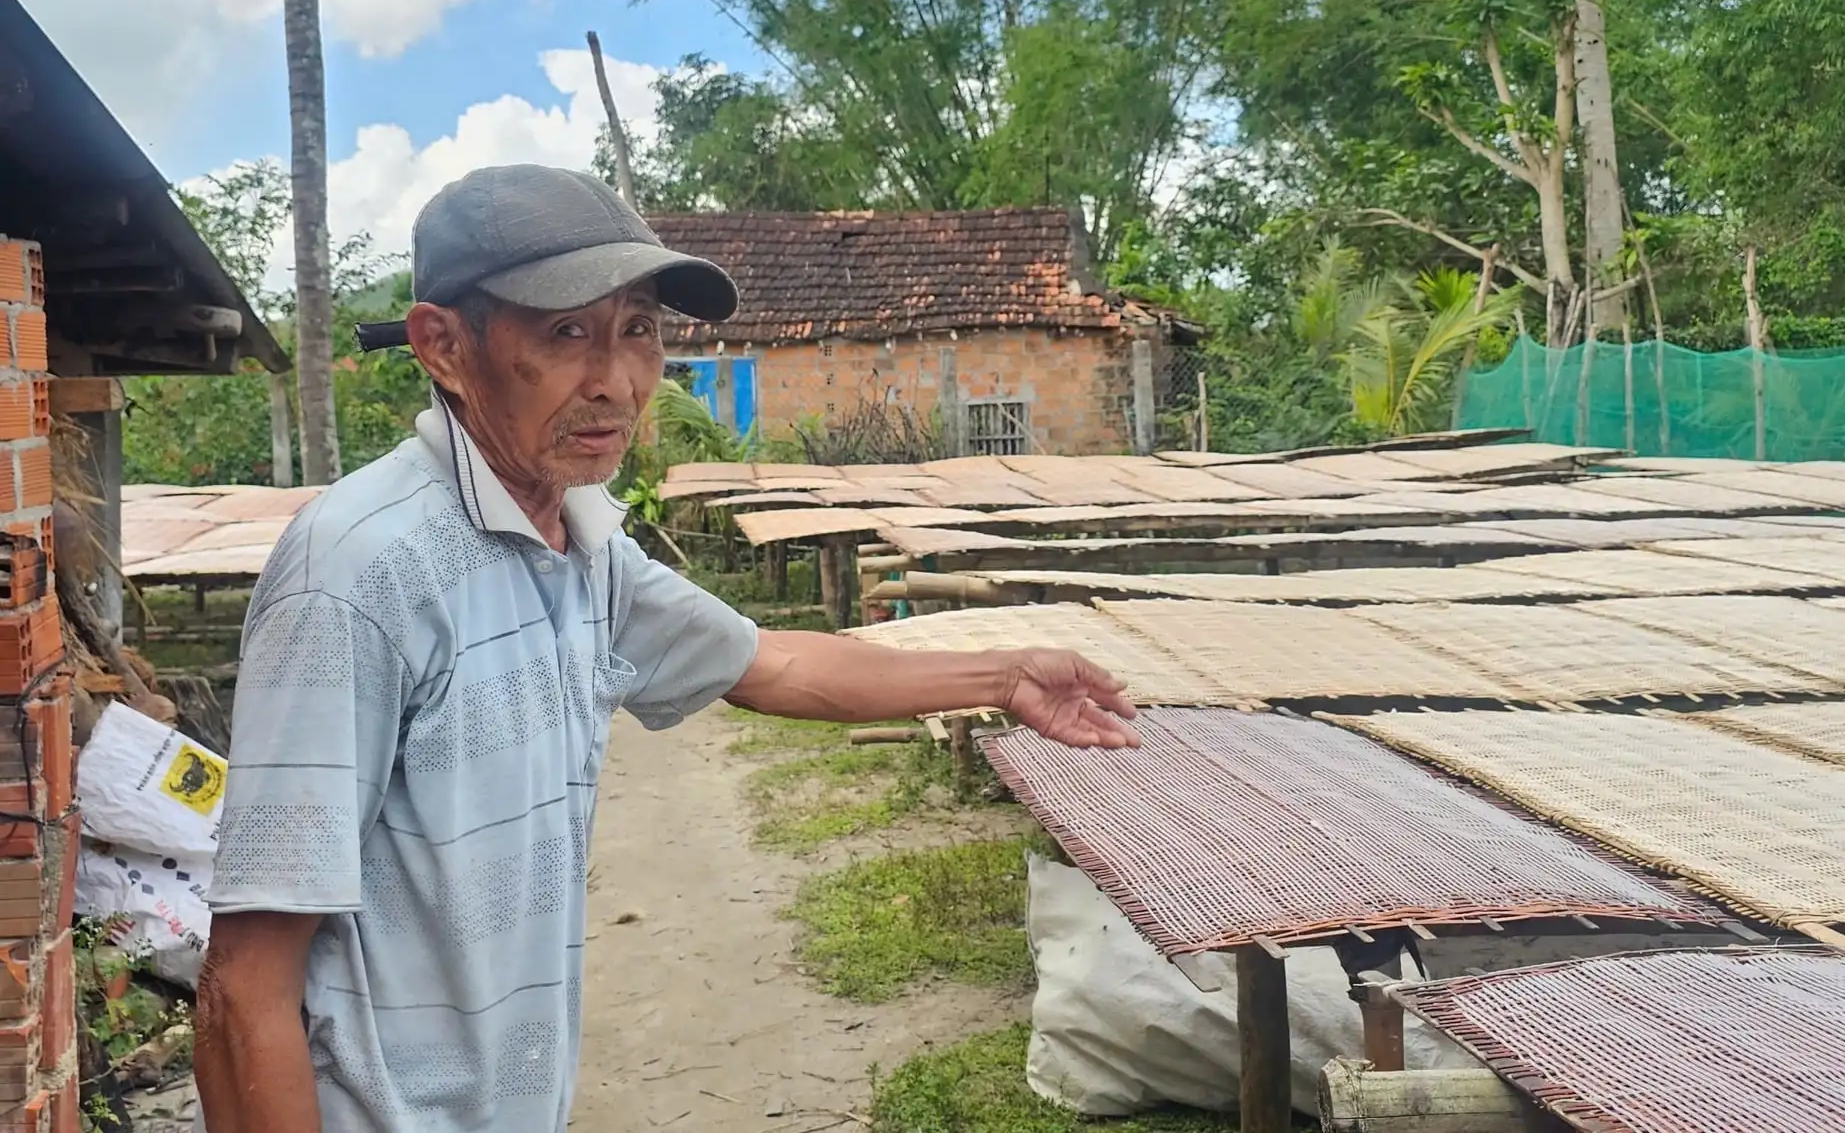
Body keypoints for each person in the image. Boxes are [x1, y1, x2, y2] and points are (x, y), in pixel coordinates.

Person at [192, 165, 1138, 1133]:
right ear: (442, 345)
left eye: (637, 330)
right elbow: (241, 990)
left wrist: (1005, 674)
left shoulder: (582, 543)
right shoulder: (360, 570)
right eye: (565, 333)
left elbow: (772, 664)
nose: (616, 382)